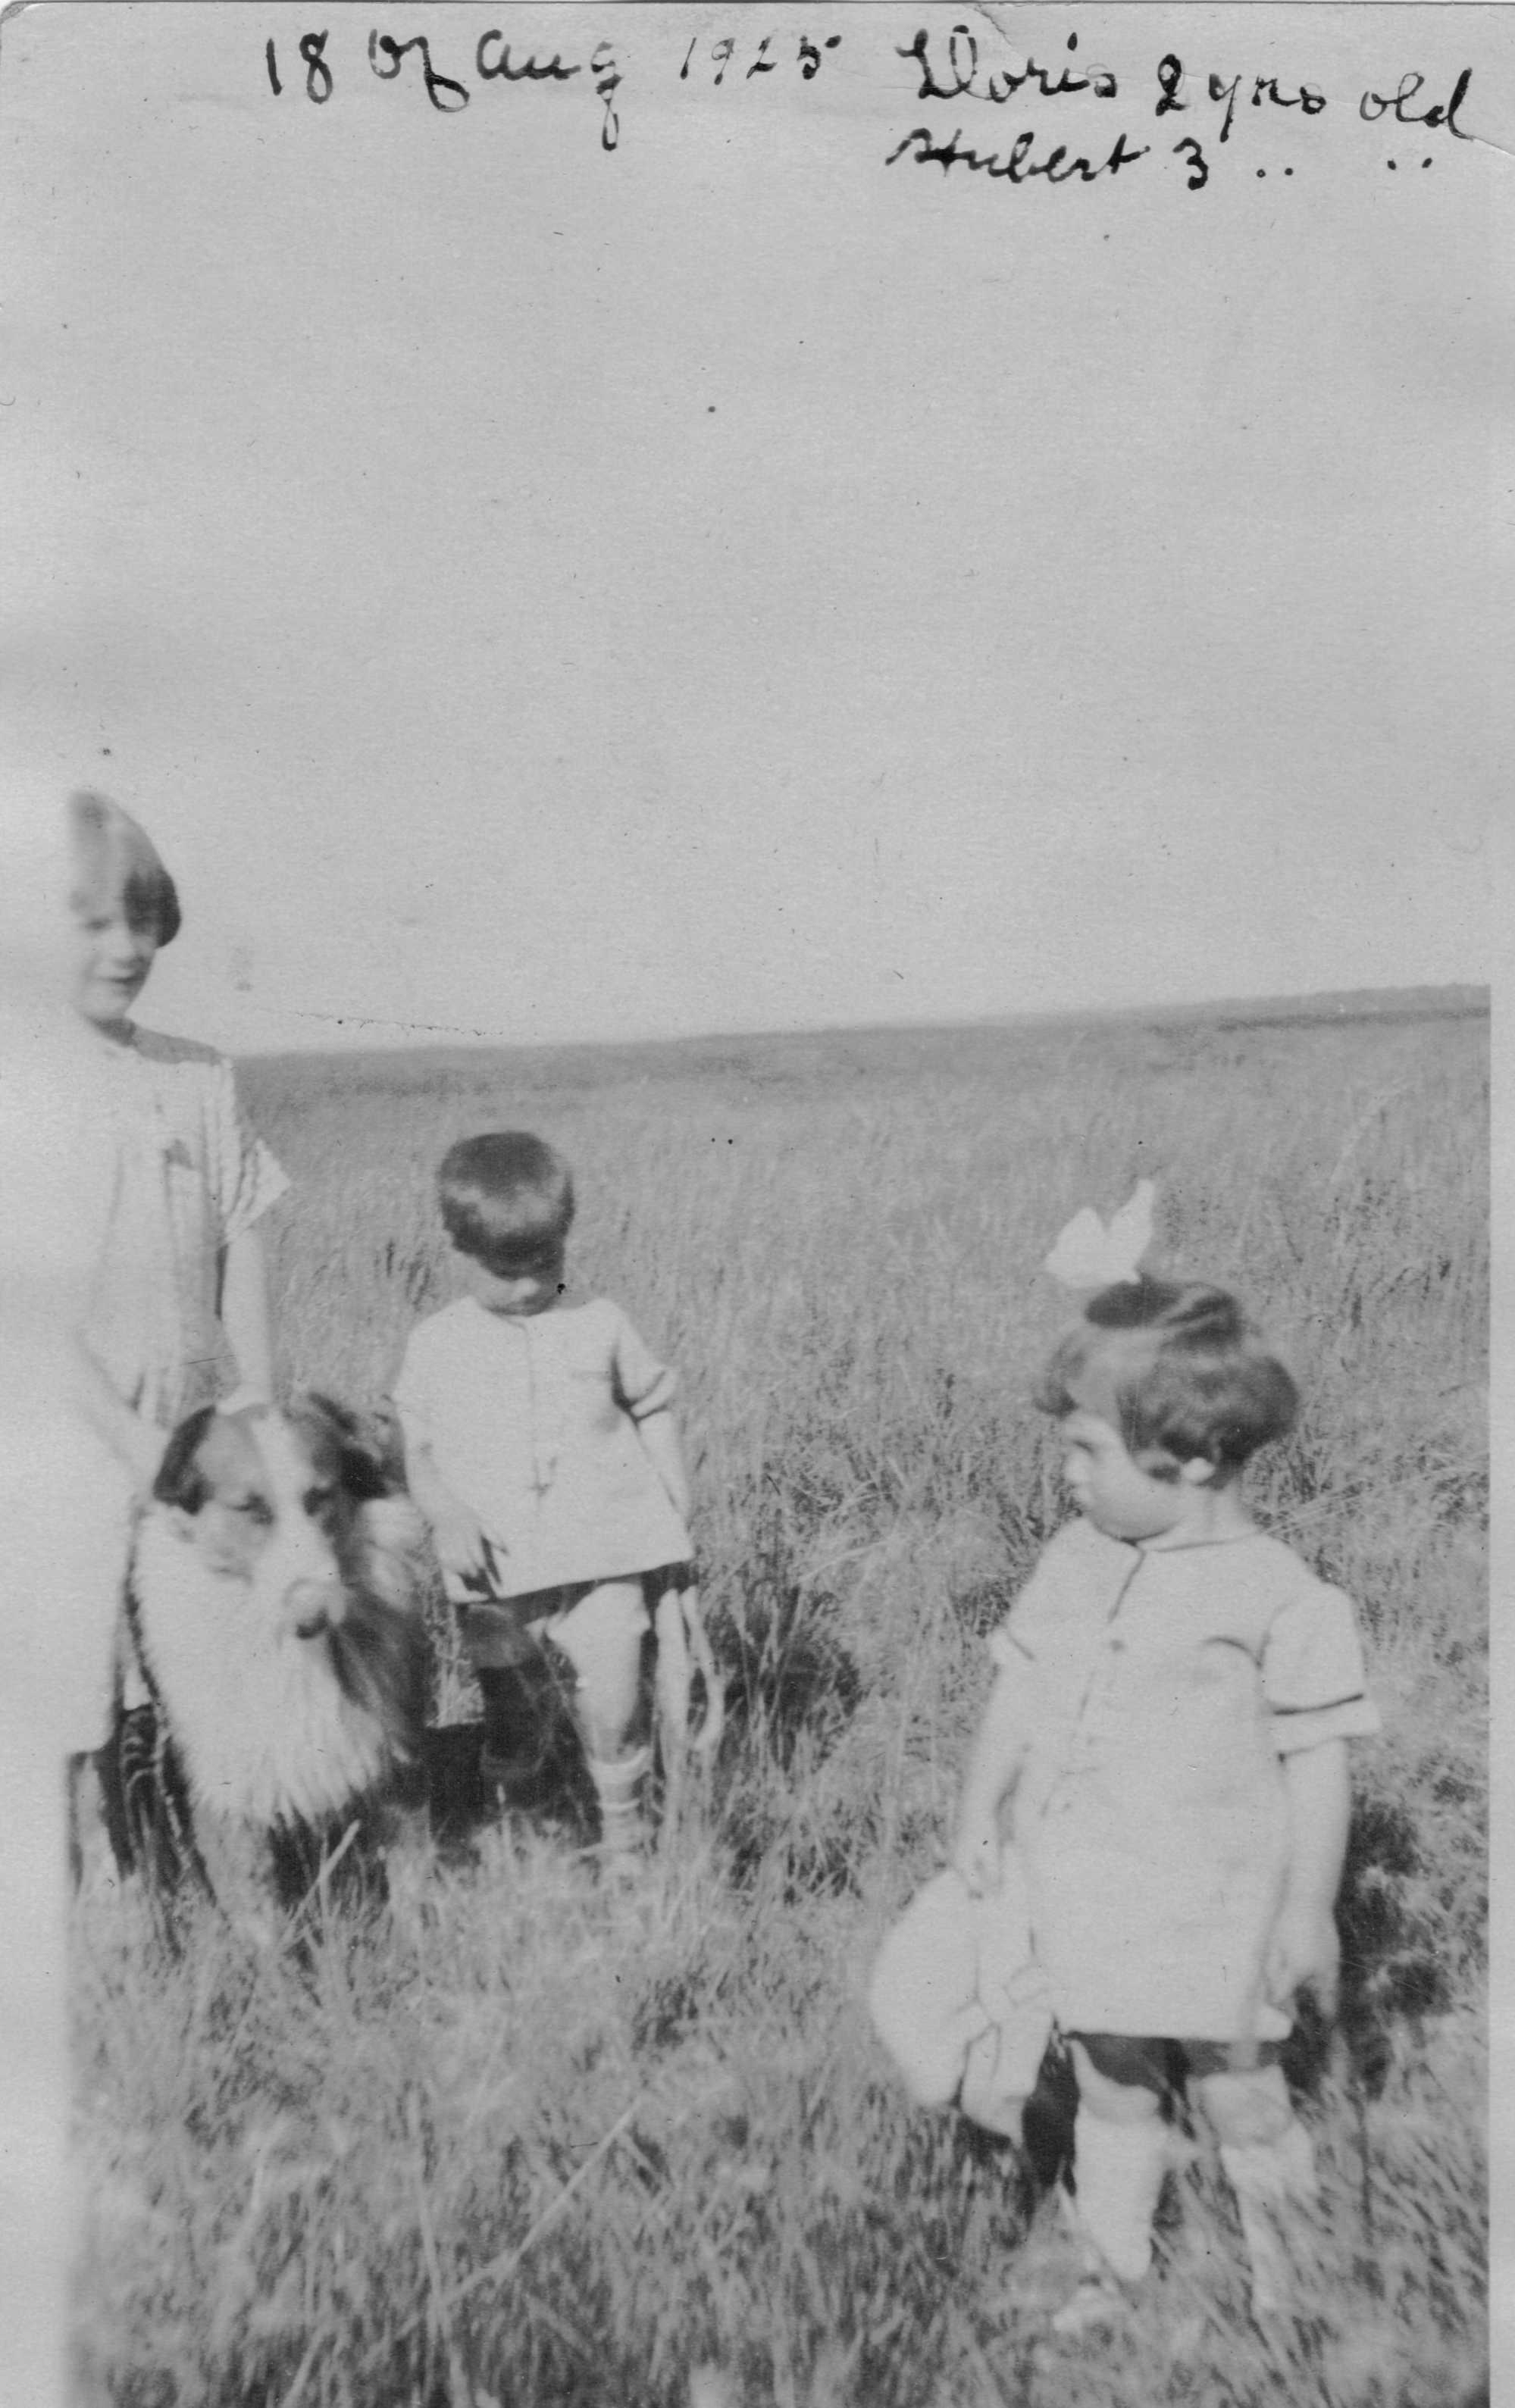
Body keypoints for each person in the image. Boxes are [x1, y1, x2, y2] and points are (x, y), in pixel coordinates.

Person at [952, 1266, 1379, 2331]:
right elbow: (1020, 1687)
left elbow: (1316, 1763)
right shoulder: (1074, 1557)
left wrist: (1304, 1908)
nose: (1065, 1474)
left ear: (1189, 1457)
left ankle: (1292, 2282)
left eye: (1086, 1449)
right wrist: (977, 1804)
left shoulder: (1279, 1594)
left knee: (1238, 2087)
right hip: (1091, 1884)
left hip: (1218, 1904)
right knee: (1109, 2076)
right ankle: (1113, 2267)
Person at [64, 792, 290, 1841]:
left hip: (187, 1431)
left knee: (206, 1647)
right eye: (91, 922)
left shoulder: (197, 1074)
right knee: (80, 1676)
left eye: (143, 920)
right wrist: (124, 1436)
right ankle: (111, 1889)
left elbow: (245, 1218)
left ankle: (232, 1863)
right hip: (61, 1435)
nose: (126, 947)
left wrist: (253, 1386)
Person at [390, 1132, 692, 1864]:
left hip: (605, 1555)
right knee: (513, 1715)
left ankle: (627, 1842)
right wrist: (447, 1513)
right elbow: (417, 1452)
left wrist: (673, 1504)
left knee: (615, 1705)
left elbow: (654, 1405)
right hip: (496, 1574)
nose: (529, 1288)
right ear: (454, 1249)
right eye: (505, 1271)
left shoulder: (600, 1321)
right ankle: (527, 1837)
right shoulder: (437, 1344)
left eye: (545, 1265)